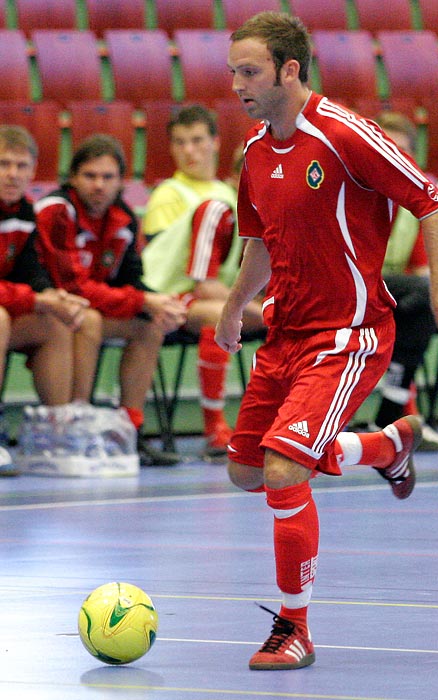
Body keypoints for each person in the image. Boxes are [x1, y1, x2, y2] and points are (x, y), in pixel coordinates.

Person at [215, 12, 438, 671]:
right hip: (285, 333)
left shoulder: (342, 134)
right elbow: (259, 243)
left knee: (285, 469)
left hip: (351, 333)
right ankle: (385, 443)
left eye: (248, 72)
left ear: (290, 69)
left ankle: (295, 627)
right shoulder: (255, 152)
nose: (236, 85)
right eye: (232, 72)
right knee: (246, 470)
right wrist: (233, 307)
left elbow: (433, 201)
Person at [35, 134, 187, 465]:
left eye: (108, 177)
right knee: (88, 320)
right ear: (73, 177)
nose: (99, 185)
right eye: (90, 176)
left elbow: (132, 279)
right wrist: (143, 301)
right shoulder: (56, 211)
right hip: (53, 309)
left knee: (151, 326)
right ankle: (80, 425)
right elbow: (73, 287)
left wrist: (157, 303)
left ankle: (128, 432)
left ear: (121, 182)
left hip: (92, 308)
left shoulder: (124, 217)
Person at [142, 104, 264, 458]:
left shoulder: (228, 195)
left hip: (209, 293)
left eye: (197, 140)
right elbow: (193, 276)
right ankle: (214, 427)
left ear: (215, 142)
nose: (189, 151)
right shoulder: (172, 195)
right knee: (221, 313)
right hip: (169, 295)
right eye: (180, 142)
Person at [0, 124, 99, 476]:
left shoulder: (24, 212)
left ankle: (61, 434)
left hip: (8, 307)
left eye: (21, 166)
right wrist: (39, 299)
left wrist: (52, 295)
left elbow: (30, 270)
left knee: (60, 320)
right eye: (4, 164)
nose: (13, 174)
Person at [364, 112, 438, 450]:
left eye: (399, 151)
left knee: (424, 298)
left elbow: (420, 268)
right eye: (382, 148)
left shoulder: (418, 199)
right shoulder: (348, 191)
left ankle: (395, 412)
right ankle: (395, 413)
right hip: (342, 284)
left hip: (388, 288)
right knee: (416, 296)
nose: (389, 158)